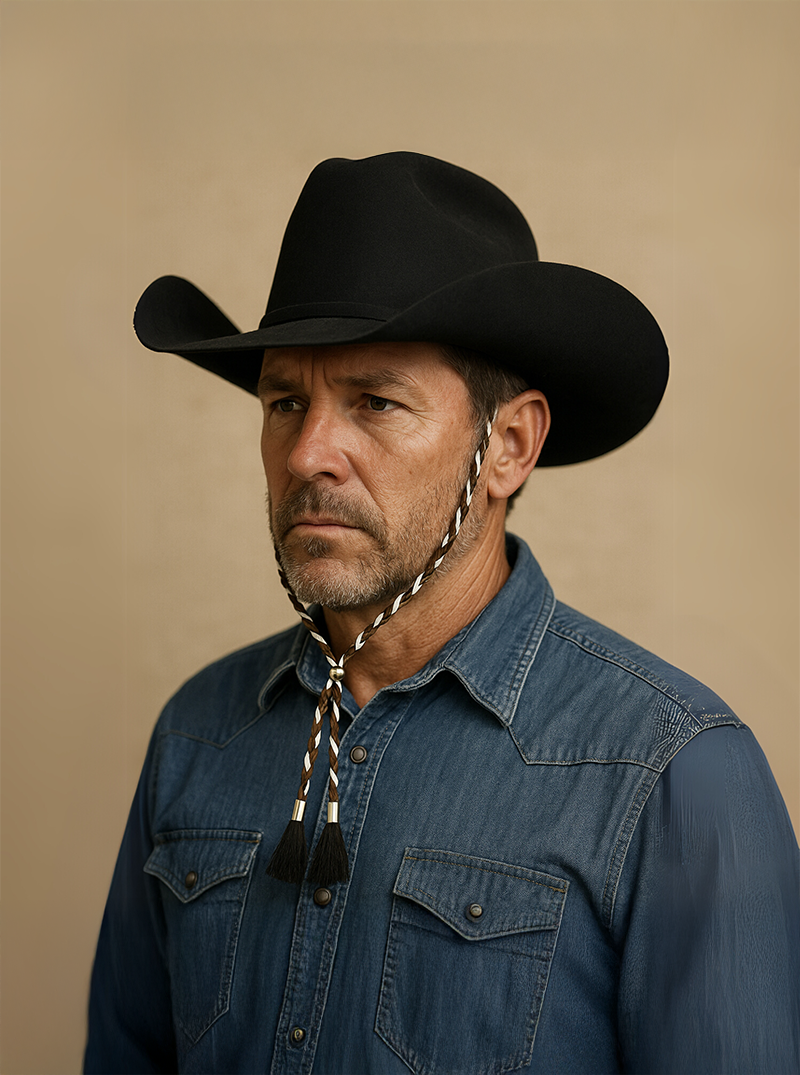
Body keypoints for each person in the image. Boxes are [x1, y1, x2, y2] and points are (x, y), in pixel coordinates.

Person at [85, 152, 799, 1075]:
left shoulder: (672, 773)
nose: (307, 453)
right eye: (285, 400)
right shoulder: (199, 732)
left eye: (375, 402)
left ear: (509, 446)